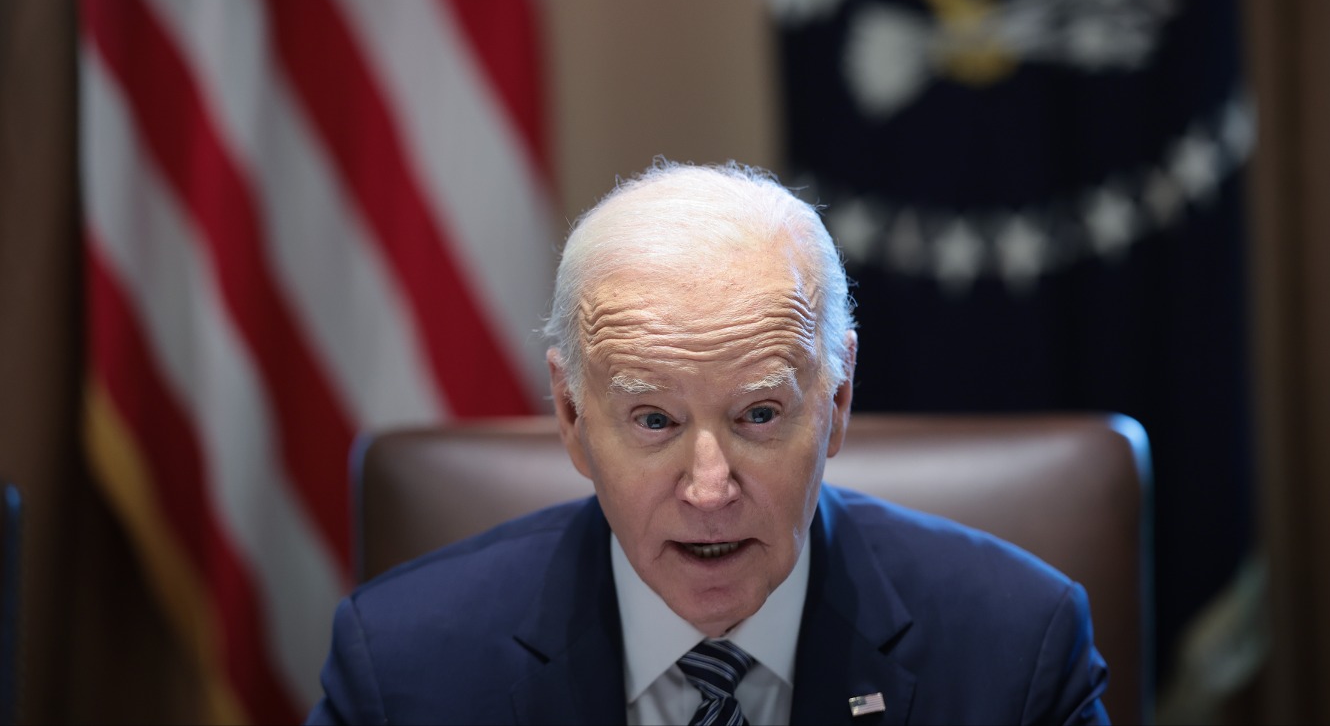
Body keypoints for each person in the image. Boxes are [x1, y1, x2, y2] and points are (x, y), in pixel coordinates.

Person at [306, 160, 1110, 725]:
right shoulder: (403, 670)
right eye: (654, 420)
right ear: (571, 415)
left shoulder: (1016, 652)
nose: (709, 488)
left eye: (758, 415)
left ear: (836, 400)